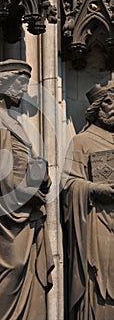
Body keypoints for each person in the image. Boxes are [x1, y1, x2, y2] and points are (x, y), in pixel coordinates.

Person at [0, 60, 54, 320]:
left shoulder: (15, 122)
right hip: (6, 210)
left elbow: (26, 160)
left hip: (26, 205)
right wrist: (22, 189)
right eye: (19, 84)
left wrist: (41, 174)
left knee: (28, 270)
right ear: (2, 84)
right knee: (12, 265)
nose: (22, 91)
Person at [61, 81, 114, 319]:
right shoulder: (82, 142)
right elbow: (68, 185)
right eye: (108, 103)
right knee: (103, 282)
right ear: (95, 108)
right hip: (98, 223)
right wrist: (93, 189)